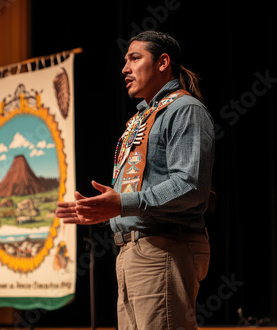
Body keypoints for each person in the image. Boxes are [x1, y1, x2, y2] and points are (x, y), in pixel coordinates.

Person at [56, 30, 215, 329]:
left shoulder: (184, 109)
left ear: (163, 62)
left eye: (134, 58)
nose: (124, 69)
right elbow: (139, 187)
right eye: (125, 60)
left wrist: (123, 203)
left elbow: (191, 186)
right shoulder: (141, 118)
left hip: (164, 247)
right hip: (134, 252)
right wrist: (103, 210)